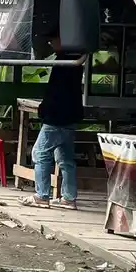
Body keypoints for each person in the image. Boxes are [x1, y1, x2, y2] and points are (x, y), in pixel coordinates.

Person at [23, 34, 87, 210]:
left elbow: (56, 92)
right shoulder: (76, 59)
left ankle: (42, 195)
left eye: (53, 40)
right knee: (65, 158)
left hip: (57, 116)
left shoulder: (64, 62)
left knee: (40, 153)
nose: (51, 43)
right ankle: (68, 197)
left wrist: (45, 110)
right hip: (71, 115)